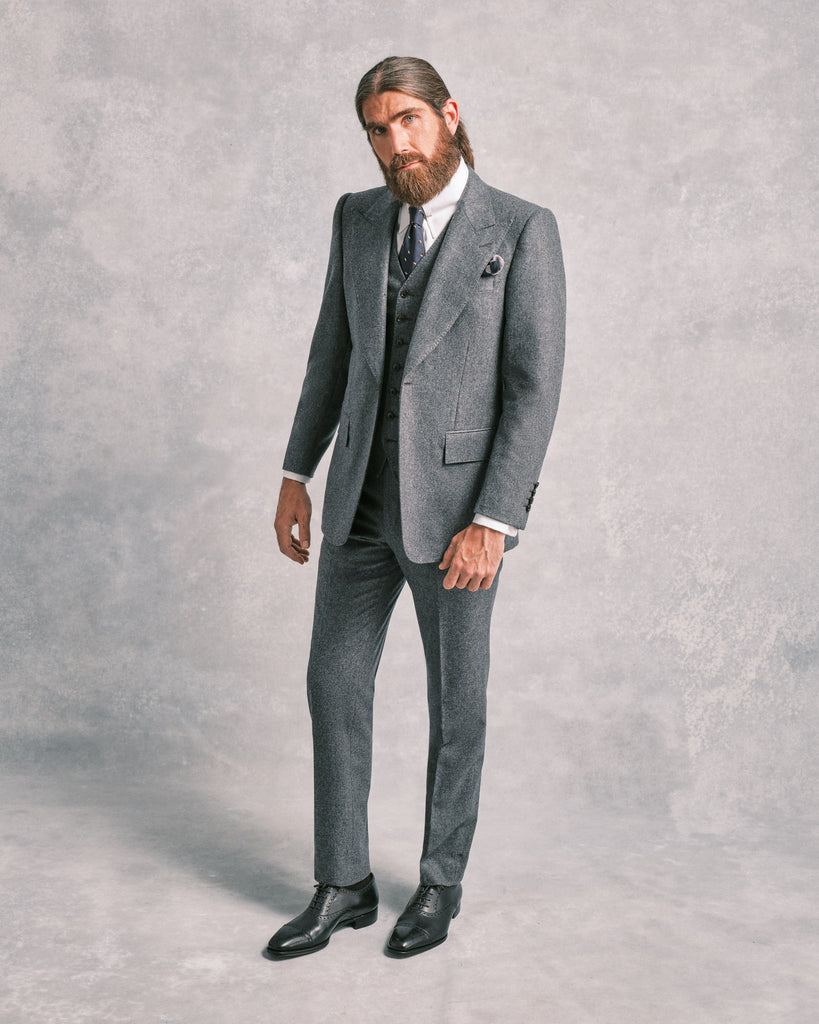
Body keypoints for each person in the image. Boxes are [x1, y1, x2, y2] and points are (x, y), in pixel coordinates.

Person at [267, 56, 565, 959]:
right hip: (359, 498)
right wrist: (296, 471)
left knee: (455, 705)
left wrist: (494, 521)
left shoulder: (520, 228)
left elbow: (532, 389)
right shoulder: (356, 218)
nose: (394, 143)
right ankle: (343, 883)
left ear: (448, 116)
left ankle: (439, 883)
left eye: (407, 120)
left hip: (460, 517)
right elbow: (330, 351)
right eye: (376, 128)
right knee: (332, 685)